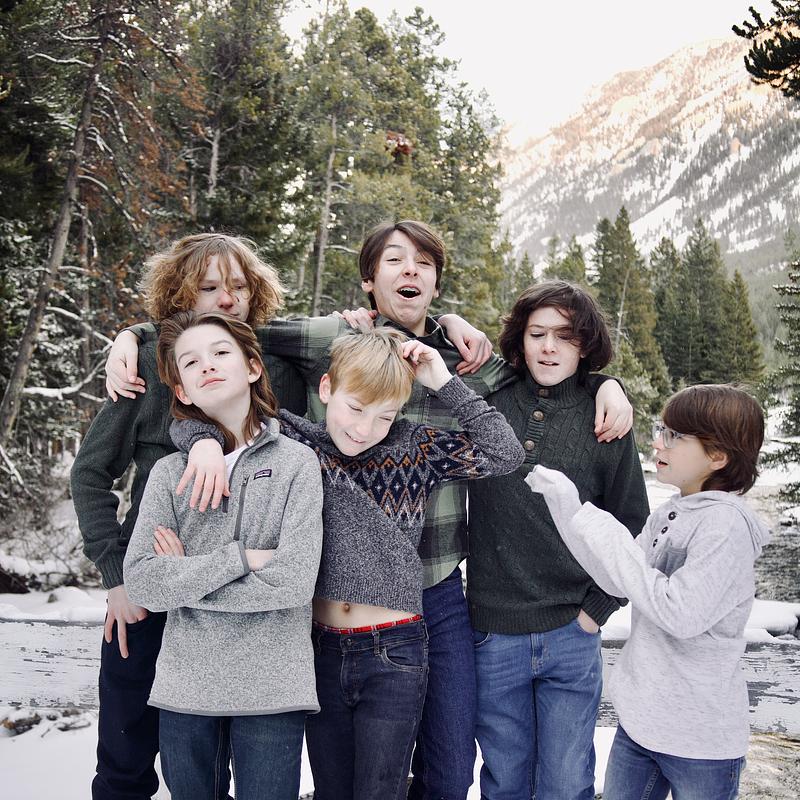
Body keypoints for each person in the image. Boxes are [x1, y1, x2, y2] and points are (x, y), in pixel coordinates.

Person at [104, 220, 633, 800]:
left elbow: (537, 389)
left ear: (436, 282)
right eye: (395, 260)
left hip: (430, 597)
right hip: (327, 620)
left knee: (445, 767)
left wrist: (602, 384)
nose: (410, 271)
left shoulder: (455, 371)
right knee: (338, 778)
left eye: (423, 263)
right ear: (368, 281)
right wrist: (145, 350)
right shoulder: (321, 385)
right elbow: (225, 352)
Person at [171, 326, 525, 799]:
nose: (364, 429)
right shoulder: (297, 442)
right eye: (355, 408)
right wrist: (204, 443)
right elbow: (207, 416)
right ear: (326, 389)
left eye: (384, 416)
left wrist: (443, 381)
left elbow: (505, 453)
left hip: (395, 651)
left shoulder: (415, 448)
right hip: (319, 648)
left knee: (380, 791)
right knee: (332, 790)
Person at [70, 232, 306, 800]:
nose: (227, 299)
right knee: (127, 758)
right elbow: (90, 474)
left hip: (245, 596)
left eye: (239, 287)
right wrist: (117, 577)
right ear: (180, 295)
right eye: (208, 288)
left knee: (218, 758)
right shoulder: (151, 368)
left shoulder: (278, 366)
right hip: (150, 584)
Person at [528, 384, 769, 800]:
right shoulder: (671, 512)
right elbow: (615, 579)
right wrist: (567, 507)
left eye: (674, 436)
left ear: (717, 456)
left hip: (700, 742)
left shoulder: (726, 526)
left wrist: (601, 526)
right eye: (661, 430)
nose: (658, 442)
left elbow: (680, 614)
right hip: (641, 727)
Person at [123, 312, 323, 800]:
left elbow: (295, 581)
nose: (207, 365)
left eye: (219, 353)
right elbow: (144, 583)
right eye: (191, 362)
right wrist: (243, 559)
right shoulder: (169, 473)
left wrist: (184, 579)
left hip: (273, 687)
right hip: (186, 687)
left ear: (252, 367)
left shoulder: (298, 463)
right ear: (183, 391)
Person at [466, 281, 650, 800]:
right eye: (537, 334)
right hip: (493, 630)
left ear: (585, 345)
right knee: (504, 780)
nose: (549, 347)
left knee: (566, 784)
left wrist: (599, 607)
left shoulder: (605, 419)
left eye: (565, 337)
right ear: (520, 342)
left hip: (573, 628)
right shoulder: (488, 404)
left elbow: (632, 524)